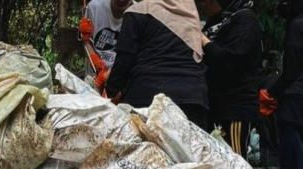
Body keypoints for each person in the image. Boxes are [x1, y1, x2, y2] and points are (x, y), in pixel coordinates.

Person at [105, 0, 210, 130]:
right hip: (192, 99)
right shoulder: (190, 14)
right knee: (190, 150)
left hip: (147, 97)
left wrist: (109, 94)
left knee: (146, 150)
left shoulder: (138, 11)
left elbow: (123, 62)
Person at [199, 0, 262, 159]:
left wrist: (202, 40)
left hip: (235, 107)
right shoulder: (216, 21)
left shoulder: (245, 19)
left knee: (235, 163)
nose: (204, 3)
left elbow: (230, 60)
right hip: (213, 105)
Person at [263, 0, 303, 169]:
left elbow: (291, 71)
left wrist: (271, 93)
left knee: (295, 161)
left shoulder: (297, 25)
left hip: (296, 104)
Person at [84, 0, 134, 88]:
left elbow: (132, 56)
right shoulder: (94, 7)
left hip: (121, 79)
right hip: (93, 77)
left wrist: (107, 75)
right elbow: (85, 40)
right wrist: (94, 60)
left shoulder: (138, 14)